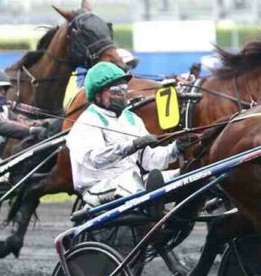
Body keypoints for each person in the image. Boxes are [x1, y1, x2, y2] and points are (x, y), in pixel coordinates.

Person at [67, 61, 190, 206]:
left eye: (124, 88)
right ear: (97, 94)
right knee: (132, 183)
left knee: (187, 178)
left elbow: (150, 160)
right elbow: (96, 159)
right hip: (97, 187)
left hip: (133, 182)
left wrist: (175, 149)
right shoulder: (88, 121)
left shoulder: (132, 119)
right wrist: (133, 145)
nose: (121, 93)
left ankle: (173, 225)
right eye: (115, 90)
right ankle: (152, 212)